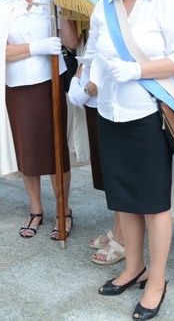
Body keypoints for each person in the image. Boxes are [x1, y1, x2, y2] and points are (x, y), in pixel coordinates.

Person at [85, 0, 174, 320]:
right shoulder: (104, 5)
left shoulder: (165, 2)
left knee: (152, 204)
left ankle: (158, 279)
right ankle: (134, 267)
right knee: (123, 202)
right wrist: (85, 86)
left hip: (149, 114)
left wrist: (137, 70)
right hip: (110, 114)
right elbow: (95, 56)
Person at [0, 0, 77, 239]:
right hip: (19, 88)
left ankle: (65, 209)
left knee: (55, 150)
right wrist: (34, 48)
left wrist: (60, 10)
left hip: (51, 84)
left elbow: (71, 44)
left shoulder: (50, 4)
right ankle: (36, 209)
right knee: (29, 153)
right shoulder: (1, 7)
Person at [68, 65, 126, 266]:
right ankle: (119, 227)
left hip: (124, 96)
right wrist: (78, 79)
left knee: (121, 174)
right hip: (99, 96)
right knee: (110, 172)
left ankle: (123, 235)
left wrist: (83, 89)